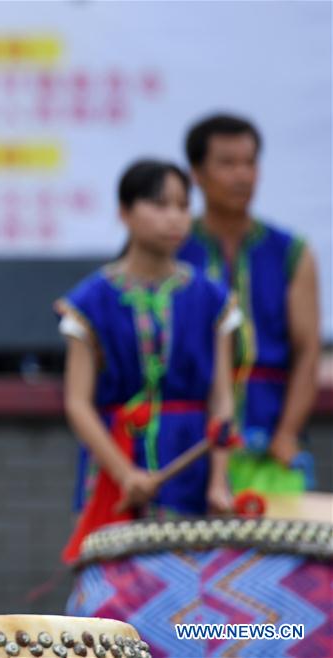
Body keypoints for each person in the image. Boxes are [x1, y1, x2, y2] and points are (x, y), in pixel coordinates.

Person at [57, 160, 238, 561]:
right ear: (124, 212)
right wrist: (125, 474)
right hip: (113, 459)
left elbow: (222, 399)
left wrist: (219, 481)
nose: (174, 217)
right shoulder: (90, 302)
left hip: (192, 455)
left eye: (181, 205)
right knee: (113, 594)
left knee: (193, 587)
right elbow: (77, 403)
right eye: (159, 205)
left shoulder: (212, 298)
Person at [178, 114, 320, 494]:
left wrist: (287, 434)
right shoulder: (174, 250)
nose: (242, 176)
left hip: (269, 437)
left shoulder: (291, 252)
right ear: (197, 173)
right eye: (227, 163)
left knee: (281, 549)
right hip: (188, 442)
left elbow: (308, 352)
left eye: (250, 162)